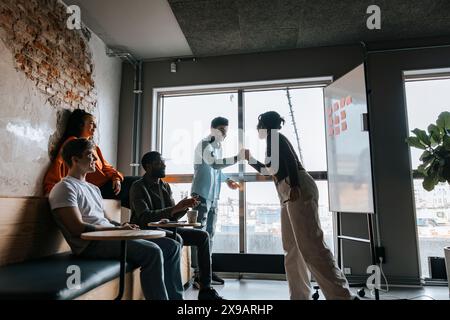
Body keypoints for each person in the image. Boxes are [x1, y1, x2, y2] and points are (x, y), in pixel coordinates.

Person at [48, 138, 184, 300]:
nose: (94, 159)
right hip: (90, 244)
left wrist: (122, 225)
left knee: (171, 245)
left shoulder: (93, 188)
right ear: (75, 160)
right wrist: (117, 230)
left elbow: (103, 219)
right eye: (90, 155)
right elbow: (77, 228)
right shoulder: (64, 187)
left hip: (109, 237)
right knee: (153, 251)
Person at [243, 111, 353, 300]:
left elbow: (291, 161)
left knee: (311, 245)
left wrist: (294, 185)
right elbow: (269, 170)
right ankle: (300, 296)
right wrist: (250, 159)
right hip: (287, 191)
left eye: (258, 124)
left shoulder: (275, 137)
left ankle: (342, 297)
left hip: (297, 188)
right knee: (292, 248)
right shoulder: (273, 141)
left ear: (265, 125)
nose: (257, 128)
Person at [129, 151, 225, 300]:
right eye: (159, 163)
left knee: (203, 236)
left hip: (167, 228)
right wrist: (174, 209)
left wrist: (184, 207)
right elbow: (144, 218)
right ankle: (175, 296)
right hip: (148, 230)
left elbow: (172, 214)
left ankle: (206, 289)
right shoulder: (138, 187)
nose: (164, 165)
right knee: (176, 239)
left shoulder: (165, 186)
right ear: (148, 167)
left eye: (163, 162)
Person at [43, 109, 139, 208]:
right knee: (139, 183)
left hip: (108, 186)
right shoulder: (72, 143)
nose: (95, 127)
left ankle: (144, 220)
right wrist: (52, 189)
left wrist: (116, 178)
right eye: (92, 123)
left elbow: (106, 167)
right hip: (95, 189)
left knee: (137, 200)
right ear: (81, 125)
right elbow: (59, 164)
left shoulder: (94, 148)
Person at [191, 117, 241, 287]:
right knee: (200, 236)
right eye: (221, 130)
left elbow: (217, 171)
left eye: (226, 131)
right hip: (200, 196)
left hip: (213, 197)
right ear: (212, 129)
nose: (224, 134)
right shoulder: (204, 144)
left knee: (210, 235)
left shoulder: (218, 147)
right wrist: (237, 158)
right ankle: (198, 274)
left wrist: (227, 180)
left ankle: (207, 271)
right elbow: (214, 164)